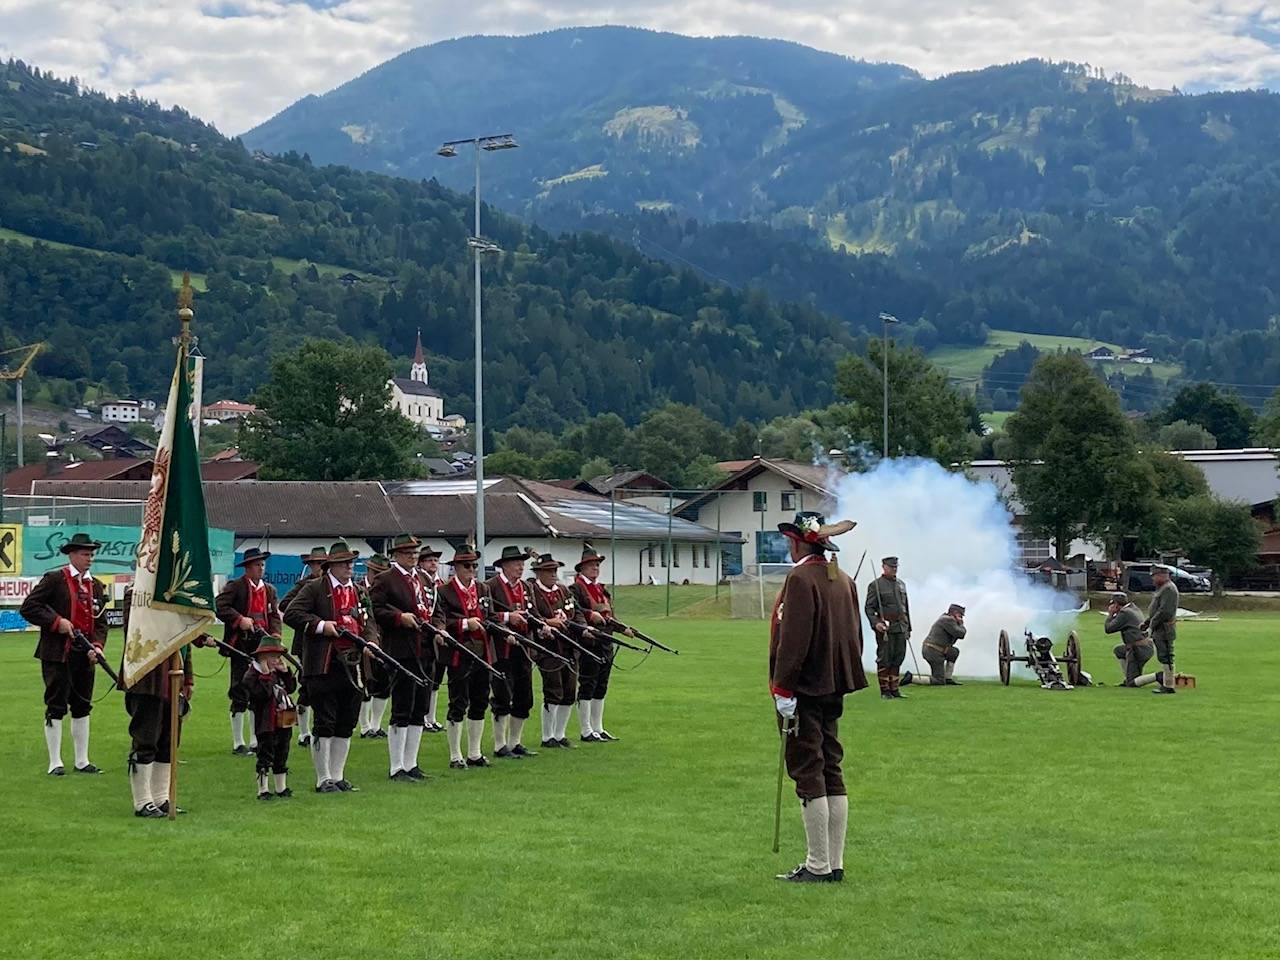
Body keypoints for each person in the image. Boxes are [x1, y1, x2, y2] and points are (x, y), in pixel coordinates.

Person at [769, 511, 865, 883]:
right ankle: (834, 863)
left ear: (798, 542)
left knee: (808, 769)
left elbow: (793, 640)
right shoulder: (843, 579)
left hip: (805, 688)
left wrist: (783, 689)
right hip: (833, 684)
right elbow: (855, 637)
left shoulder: (799, 579)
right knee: (830, 769)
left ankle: (818, 864)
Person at [282, 540, 371, 793]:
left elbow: (369, 621)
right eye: (344, 563)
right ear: (331, 566)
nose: (349, 567)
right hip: (324, 663)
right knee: (325, 721)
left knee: (346, 722)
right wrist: (321, 625)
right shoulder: (314, 588)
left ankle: (338, 775)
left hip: (353, 663)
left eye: (350, 562)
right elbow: (291, 613)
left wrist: (371, 641)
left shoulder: (359, 591)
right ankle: (323, 778)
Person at [20, 532, 109, 776]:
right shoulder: (54, 579)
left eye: (91, 554)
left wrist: (97, 646)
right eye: (85, 554)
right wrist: (56, 622)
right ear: (71, 555)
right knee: (56, 705)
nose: (89, 559)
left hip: (85, 654)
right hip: (58, 654)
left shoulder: (96, 585)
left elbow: (101, 622)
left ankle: (82, 760)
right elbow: (29, 607)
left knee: (83, 706)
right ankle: (55, 761)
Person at [119, 587, 196, 817]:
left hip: (173, 678)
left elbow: (184, 641)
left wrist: (188, 677)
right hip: (148, 679)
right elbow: (136, 630)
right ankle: (142, 801)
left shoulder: (175, 595)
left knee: (168, 739)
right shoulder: (136, 594)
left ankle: (162, 797)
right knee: (146, 737)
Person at [371, 535, 438, 781]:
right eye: (408, 552)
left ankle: (411, 763)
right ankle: (396, 766)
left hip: (425, 649)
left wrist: (439, 628)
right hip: (401, 649)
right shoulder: (385, 579)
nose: (413, 556)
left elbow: (435, 609)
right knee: (402, 706)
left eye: (415, 552)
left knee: (420, 707)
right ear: (396, 555)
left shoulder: (424, 579)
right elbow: (375, 609)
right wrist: (399, 618)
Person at [214, 546, 283, 755]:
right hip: (241, 646)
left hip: (263, 646)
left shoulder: (269, 590)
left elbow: (274, 615)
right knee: (240, 690)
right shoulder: (236, 587)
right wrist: (239, 619)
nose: (261, 568)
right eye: (257, 565)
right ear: (247, 568)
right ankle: (238, 742)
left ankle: (255, 739)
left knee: (260, 692)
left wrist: (275, 635)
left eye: (262, 564)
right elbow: (220, 606)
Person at [437, 544, 494, 769]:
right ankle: (455, 755)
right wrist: (464, 624)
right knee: (458, 701)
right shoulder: (444, 591)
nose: (472, 570)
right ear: (457, 567)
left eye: (474, 565)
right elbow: (440, 620)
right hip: (458, 652)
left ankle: (474, 752)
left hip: (482, 650)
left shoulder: (483, 589)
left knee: (480, 700)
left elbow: (489, 616)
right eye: (467, 566)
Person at [570, 545, 633, 742]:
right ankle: (586, 729)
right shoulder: (576, 588)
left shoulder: (602, 589)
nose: (595, 568)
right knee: (587, 684)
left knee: (601, 686)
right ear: (582, 568)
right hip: (589, 642)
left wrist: (623, 629)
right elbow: (574, 611)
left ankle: (598, 727)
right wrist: (590, 615)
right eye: (591, 565)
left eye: (597, 565)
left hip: (606, 641)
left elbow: (609, 615)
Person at [486, 546, 537, 759]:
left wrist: (542, 626)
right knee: (502, 695)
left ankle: (515, 742)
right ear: (505, 565)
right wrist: (508, 618)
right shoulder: (490, 586)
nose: (520, 567)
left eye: (522, 563)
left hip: (523, 648)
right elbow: (487, 615)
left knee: (524, 696)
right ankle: (500, 745)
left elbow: (533, 614)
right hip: (501, 650)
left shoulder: (526, 587)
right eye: (516, 563)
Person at [527, 552, 580, 748]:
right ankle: (547, 736)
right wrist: (548, 622)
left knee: (569, 691)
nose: (553, 574)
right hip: (547, 648)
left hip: (568, 646)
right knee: (553, 690)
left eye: (554, 570)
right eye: (548, 570)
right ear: (538, 573)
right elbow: (531, 615)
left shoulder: (564, 591)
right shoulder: (532, 591)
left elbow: (575, 612)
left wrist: (580, 626)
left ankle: (560, 734)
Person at [282, 545, 328, 748]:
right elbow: (286, 605)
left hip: (329, 642)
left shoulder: (331, 585)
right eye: (316, 563)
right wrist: (309, 615)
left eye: (322, 563)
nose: (319, 567)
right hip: (306, 643)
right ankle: (303, 732)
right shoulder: (305, 585)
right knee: (307, 687)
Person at [243, 638, 298, 800]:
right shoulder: (252, 675)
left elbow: (291, 688)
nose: (276, 660)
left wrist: (286, 672)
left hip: (284, 721)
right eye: (273, 656)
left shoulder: (277, 673)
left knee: (282, 753)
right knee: (265, 755)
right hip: (266, 723)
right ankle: (263, 789)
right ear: (262, 657)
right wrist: (266, 675)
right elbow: (262, 694)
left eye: (278, 656)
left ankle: (281, 787)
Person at [865, 556, 911, 700]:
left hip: (900, 626)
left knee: (898, 658)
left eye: (896, 567)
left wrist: (908, 628)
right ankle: (885, 691)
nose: (894, 569)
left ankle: (894, 689)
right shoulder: (875, 585)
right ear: (884, 567)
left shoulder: (901, 585)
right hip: (885, 627)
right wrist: (876, 623)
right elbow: (869, 608)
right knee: (885, 659)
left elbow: (905, 608)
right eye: (891, 567)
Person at [358, 553, 392, 740]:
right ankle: (364, 727)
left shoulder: (389, 591)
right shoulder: (358, 589)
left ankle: (376, 725)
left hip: (385, 640)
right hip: (361, 642)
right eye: (376, 572)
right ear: (369, 571)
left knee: (384, 682)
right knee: (364, 683)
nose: (379, 577)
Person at [417, 544, 447, 733]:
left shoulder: (440, 584)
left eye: (435, 560)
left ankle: (431, 717)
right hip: (422, 638)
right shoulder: (419, 581)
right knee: (424, 678)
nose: (433, 563)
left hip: (438, 636)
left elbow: (440, 611)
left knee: (436, 678)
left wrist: (440, 629)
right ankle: (422, 717)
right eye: (429, 560)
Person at [902, 604, 966, 686]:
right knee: (939, 680)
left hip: (935, 649)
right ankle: (911, 678)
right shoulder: (948, 620)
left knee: (953, 652)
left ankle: (948, 678)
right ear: (955, 613)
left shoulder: (946, 619)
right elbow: (960, 634)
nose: (961, 617)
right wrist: (961, 624)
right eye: (960, 615)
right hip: (933, 652)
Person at [1139, 566, 1180, 694]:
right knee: (1163, 655)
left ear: (1163, 575)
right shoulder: (1163, 588)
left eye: (1154, 576)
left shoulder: (1169, 589)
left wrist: (1151, 624)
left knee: (1166, 655)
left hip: (1164, 628)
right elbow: (1156, 610)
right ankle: (1167, 683)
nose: (1153, 579)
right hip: (1160, 627)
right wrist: (1147, 622)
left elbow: (1164, 611)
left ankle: (1169, 685)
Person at [1105, 592, 1155, 687]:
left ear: (1116, 604)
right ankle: (1128, 678)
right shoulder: (1133, 608)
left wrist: (1110, 615)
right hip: (1145, 646)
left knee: (1132, 683)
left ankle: (1158, 676)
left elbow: (1108, 629)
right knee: (1119, 650)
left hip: (1138, 650)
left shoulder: (1124, 613)